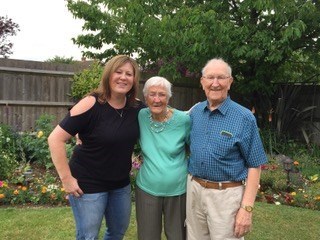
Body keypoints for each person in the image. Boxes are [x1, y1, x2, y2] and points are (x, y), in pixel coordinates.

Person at [48, 55, 144, 240]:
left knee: (117, 233)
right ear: (108, 75)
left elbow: (162, 112)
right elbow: (55, 139)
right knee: (88, 236)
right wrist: (66, 179)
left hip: (120, 185)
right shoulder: (91, 103)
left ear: (134, 80)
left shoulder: (137, 107)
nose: (123, 77)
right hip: (88, 185)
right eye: (118, 72)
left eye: (129, 74)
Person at [186, 58, 268, 240]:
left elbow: (255, 165)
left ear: (230, 82)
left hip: (226, 196)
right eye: (210, 78)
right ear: (202, 82)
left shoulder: (244, 117)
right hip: (194, 191)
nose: (215, 83)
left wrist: (246, 209)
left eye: (221, 78)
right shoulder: (195, 113)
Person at [135, 76, 191, 240]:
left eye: (162, 95)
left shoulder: (183, 120)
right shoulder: (141, 116)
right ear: (145, 97)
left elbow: (193, 148)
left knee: (177, 235)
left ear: (169, 97)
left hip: (178, 190)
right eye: (152, 94)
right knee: (147, 236)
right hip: (147, 188)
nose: (157, 99)